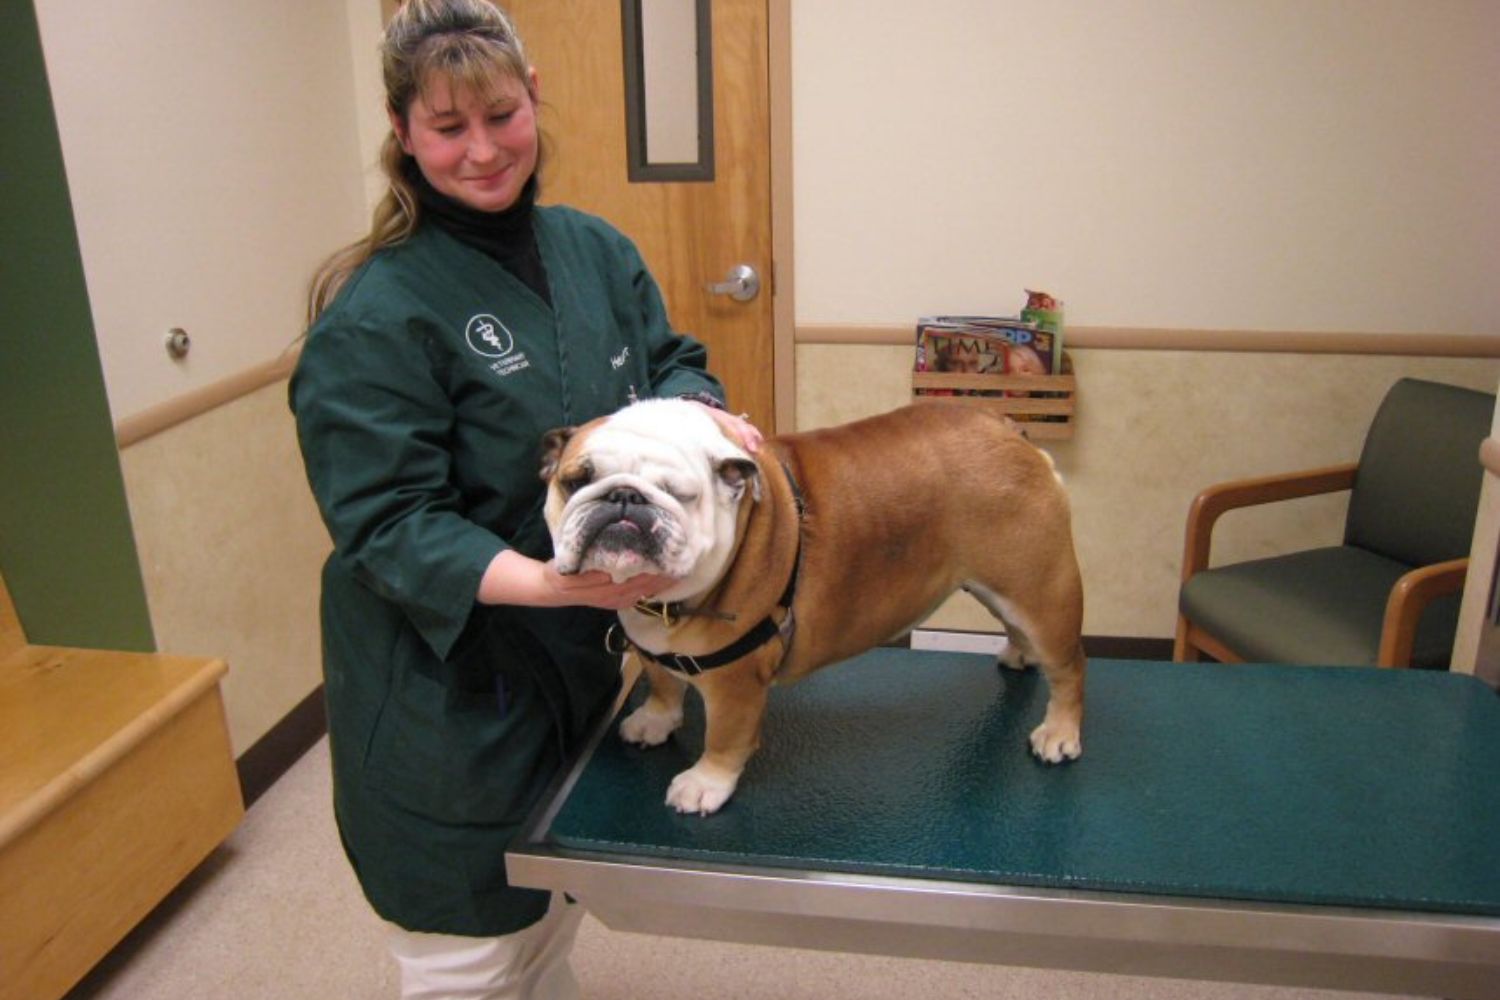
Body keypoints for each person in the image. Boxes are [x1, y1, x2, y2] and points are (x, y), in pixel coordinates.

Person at [289, 2, 761, 996]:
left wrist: (708, 423)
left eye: (500, 115)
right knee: (470, 952)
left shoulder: (593, 250)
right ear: (402, 130)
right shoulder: (375, 316)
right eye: (448, 127)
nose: (482, 150)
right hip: (446, 695)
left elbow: (671, 362)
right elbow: (388, 523)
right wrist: (556, 587)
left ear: (533, 98)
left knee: (549, 921)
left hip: (578, 668)